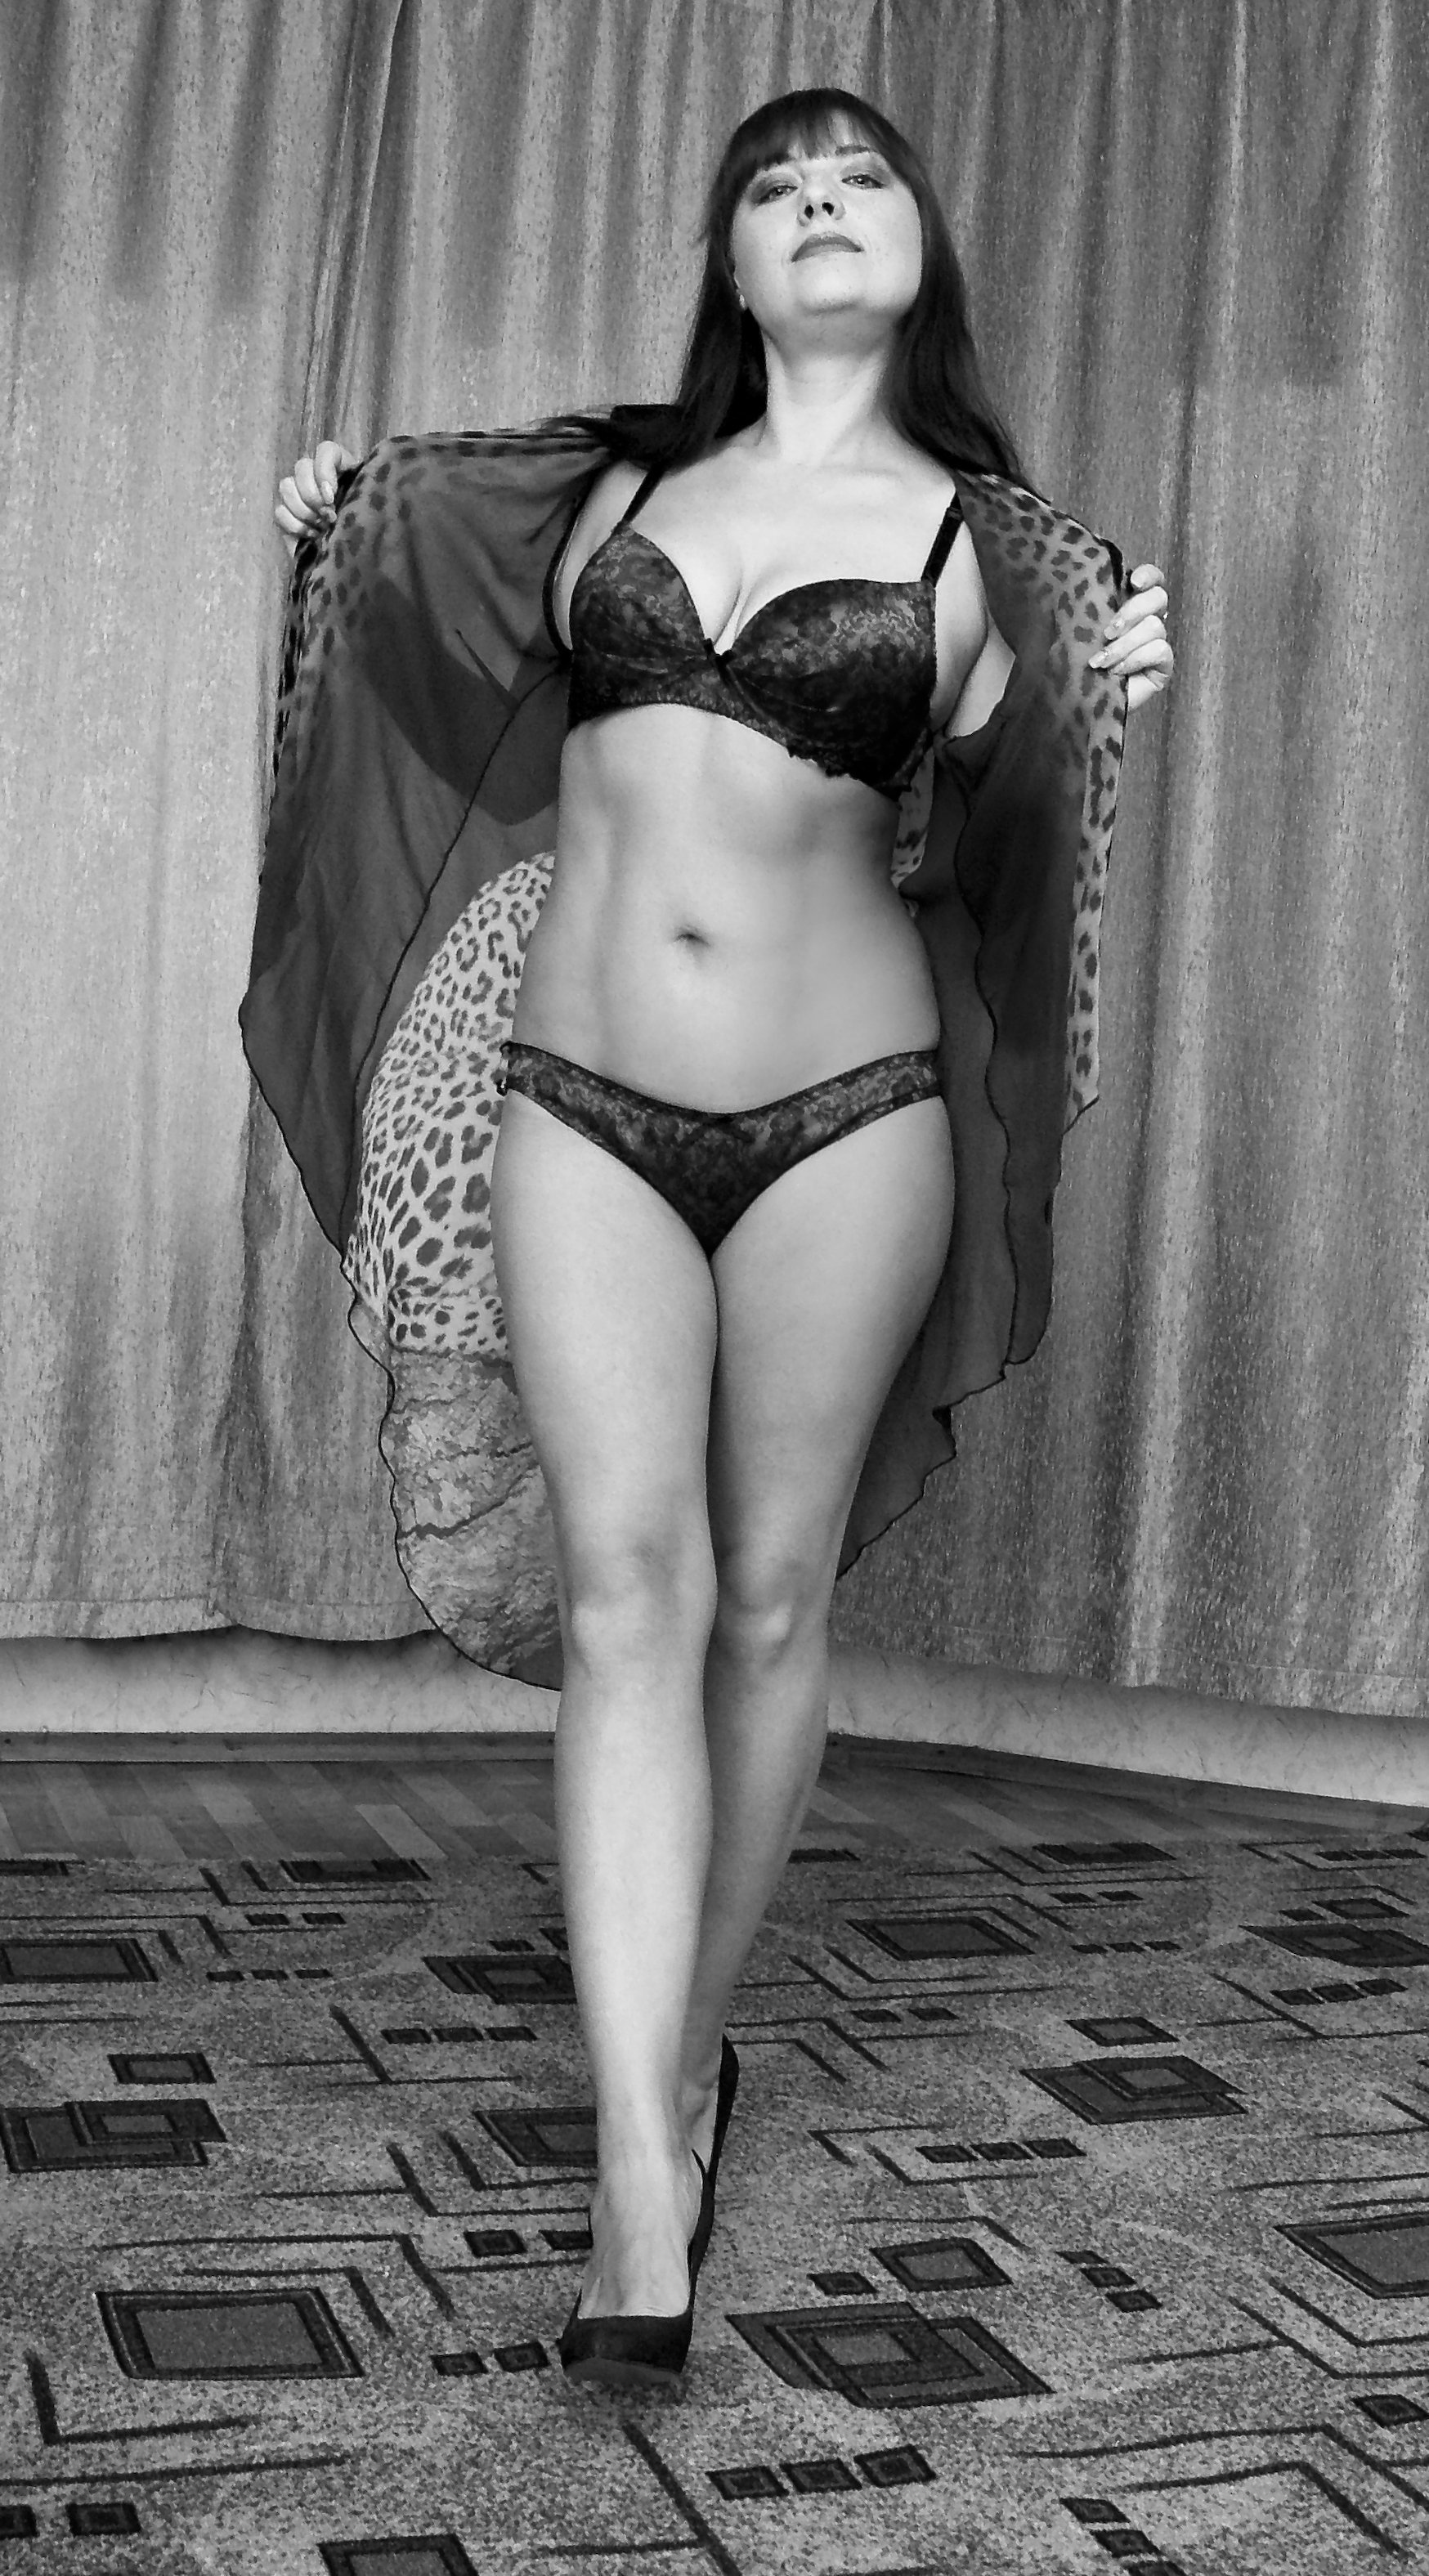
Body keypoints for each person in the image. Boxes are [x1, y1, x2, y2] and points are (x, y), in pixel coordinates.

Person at [262, 87, 1173, 2390]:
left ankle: (685, 2060)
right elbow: (423, 672)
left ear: (919, 245)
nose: (817, 204)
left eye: (856, 177)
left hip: (848, 1117)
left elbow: (1016, 828)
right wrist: (338, 540)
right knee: (624, 1597)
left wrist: (1101, 694)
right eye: (775, 187)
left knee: (766, 1598)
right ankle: (635, 2177)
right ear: (733, 264)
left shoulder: (998, 548)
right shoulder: (604, 494)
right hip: (582, 1100)